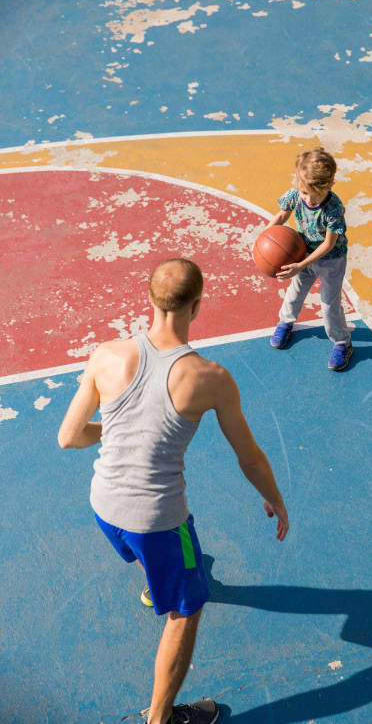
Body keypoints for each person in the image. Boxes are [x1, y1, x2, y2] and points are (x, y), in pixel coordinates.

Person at [58, 257, 289, 724]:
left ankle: (153, 581)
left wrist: (120, 429)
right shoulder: (210, 378)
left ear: (149, 299)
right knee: (187, 609)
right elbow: (249, 458)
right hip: (158, 521)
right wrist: (276, 499)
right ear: (197, 306)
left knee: (156, 558)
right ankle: (160, 719)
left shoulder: (106, 354)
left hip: (104, 506)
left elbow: (69, 436)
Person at [267, 147, 353, 370]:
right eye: (304, 193)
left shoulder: (333, 208)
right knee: (294, 292)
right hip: (302, 253)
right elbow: (282, 213)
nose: (307, 199)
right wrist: (264, 237)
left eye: (312, 196)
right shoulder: (297, 193)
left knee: (328, 305)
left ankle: (342, 341)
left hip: (330, 261)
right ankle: (286, 322)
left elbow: (328, 243)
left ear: (327, 186)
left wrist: (300, 265)